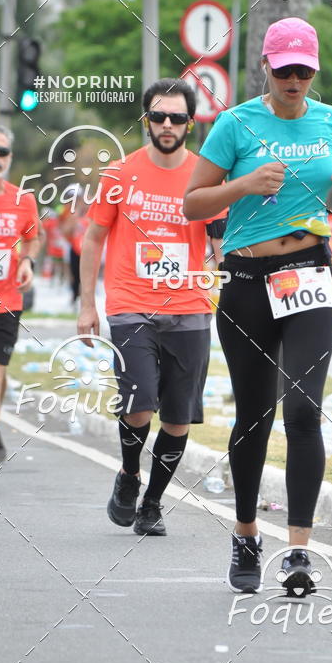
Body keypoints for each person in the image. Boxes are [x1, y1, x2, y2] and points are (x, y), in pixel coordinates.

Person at [184, 17, 332, 595]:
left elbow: (330, 187)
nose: (294, 80)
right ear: (265, 65)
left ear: (314, 71)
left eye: (304, 71)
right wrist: (243, 185)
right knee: (254, 415)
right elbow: (193, 204)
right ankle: (245, 534)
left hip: (309, 271)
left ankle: (299, 552)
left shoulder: (331, 120)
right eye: (285, 69)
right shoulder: (235, 124)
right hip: (247, 277)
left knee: (304, 410)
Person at [77, 78, 225, 535]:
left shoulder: (207, 176)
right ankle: (129, 473)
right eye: (158, 116)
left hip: (189, 307)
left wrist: (235, 289)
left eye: (176, 118)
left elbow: (220, 244)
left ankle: (152, 503)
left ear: (189, 124)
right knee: (138, 405)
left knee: (178, 418)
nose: (167, 125)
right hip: (131, 305)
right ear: (146, 120)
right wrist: (87, 305)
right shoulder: (120, 174)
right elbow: (94, 238)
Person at [0, 126, 40, 463]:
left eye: (2, 152)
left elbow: (33, 237)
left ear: (10, 157)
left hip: (7, 300)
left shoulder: (23, 200)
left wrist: (27, 260)